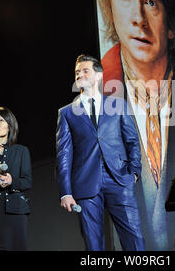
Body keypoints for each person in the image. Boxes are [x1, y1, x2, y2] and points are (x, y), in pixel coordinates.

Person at [93, 0, 175, 250]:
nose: (138, 18)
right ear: (109, 6)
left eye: (150, 0)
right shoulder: (97, 91)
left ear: (170, 13)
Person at [55, 54, 145, 251]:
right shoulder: (67, 113)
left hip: (120, 179)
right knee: (93, 244)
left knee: (134, 240)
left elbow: (132, 141)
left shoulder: (118, 104)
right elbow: (64, 154)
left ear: (98, 75)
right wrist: (66, 192)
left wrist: (134, 172)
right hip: (85, 182)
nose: (80, 74)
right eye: (77, 72)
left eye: (85, 70)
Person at [0, 106, 32, 250]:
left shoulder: (21, 151)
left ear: (10, 126)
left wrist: (12, 181)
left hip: (17, 210)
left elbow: (27, 181)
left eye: (1, 120)